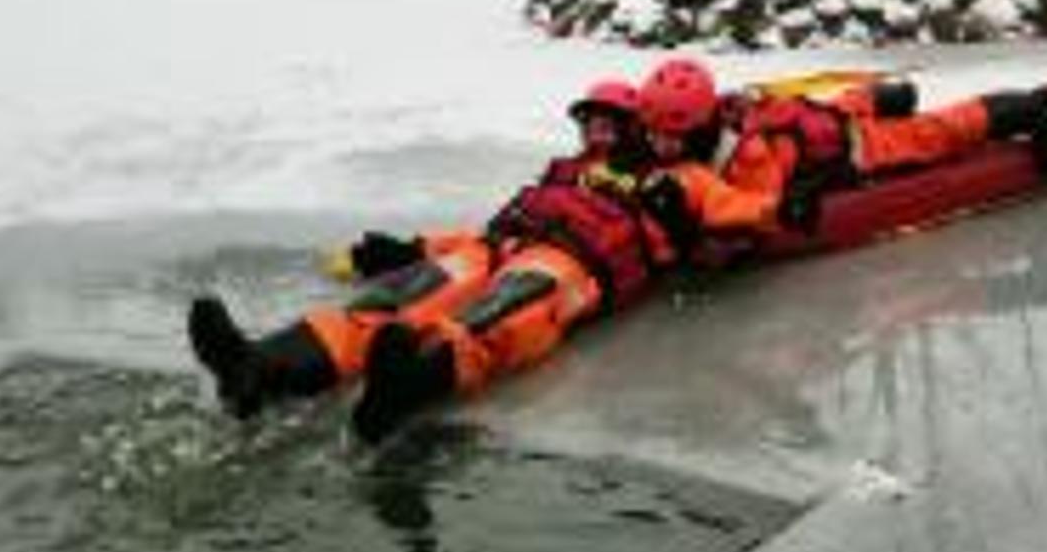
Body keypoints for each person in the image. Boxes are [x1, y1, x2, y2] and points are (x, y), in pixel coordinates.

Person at [188, 78, 783, 442]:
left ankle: (407, 387)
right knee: (391, 300)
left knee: (500, 316)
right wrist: (411, 249)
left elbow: (753, 211)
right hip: (497, 246)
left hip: (569, 267)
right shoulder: (567, 173)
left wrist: (746, 168)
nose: (599, 133)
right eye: (591, 122)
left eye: (613, 123)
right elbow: (477, 234)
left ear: (637, 128)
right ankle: (261, 367)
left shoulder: (686, 179)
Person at [632, 57, 1047, 234]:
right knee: (842, 110)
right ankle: (882, 97)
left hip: (854, 147)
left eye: (666, 135)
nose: (656, 142)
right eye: (652, 132)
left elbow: (756, 208)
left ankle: (1032, 109)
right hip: (825, 116)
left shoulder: (747, 155)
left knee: (940, 132)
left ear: (695, 127)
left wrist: (779, 211)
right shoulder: (720, 113)